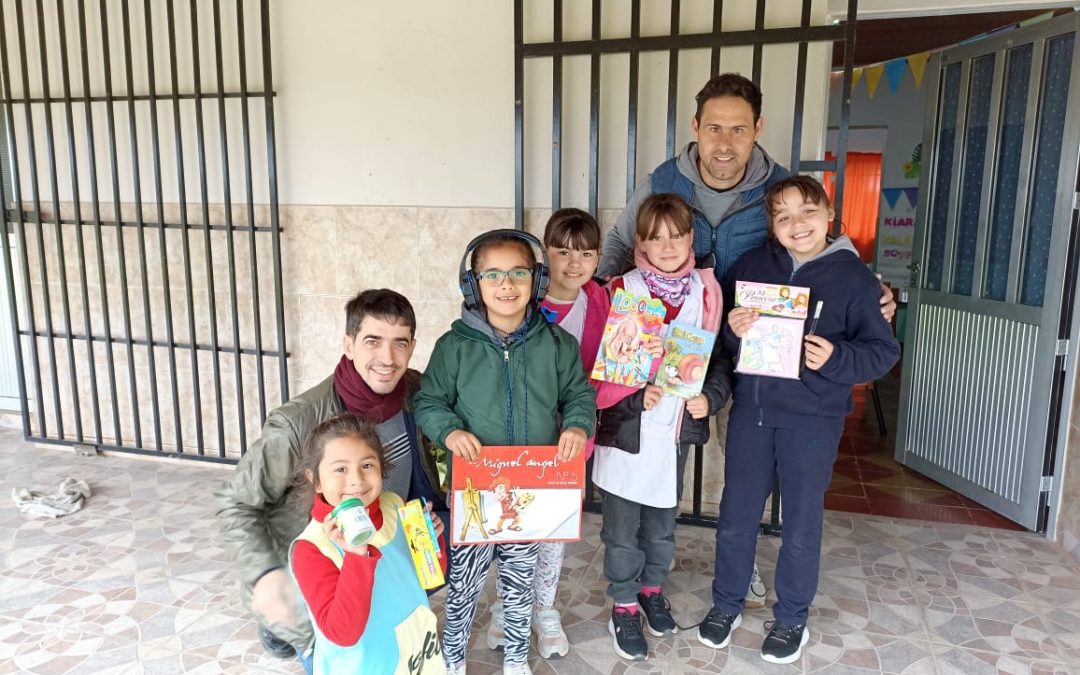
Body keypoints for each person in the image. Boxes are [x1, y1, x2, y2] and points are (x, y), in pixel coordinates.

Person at [597, 71, 896, 609]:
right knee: (676, 457)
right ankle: (659, 577)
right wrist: (602, 305)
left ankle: (738, 568)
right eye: (714, 128)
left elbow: (830, 248)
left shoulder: (779, 187)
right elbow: (622, 241)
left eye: (738, 129)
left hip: (752, 349)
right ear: (695, 127)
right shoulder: (663, 180)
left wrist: (874, 291)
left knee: (746, 463)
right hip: (676, 340)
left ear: (757, 128)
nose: (725, 143)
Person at [696, 176, 900, 664]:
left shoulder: (855, 279)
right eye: (782, 216)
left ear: (829, 214)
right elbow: (722, 340)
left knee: (802, 523)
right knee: (736, 516)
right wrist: (734, 327)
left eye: (807, 212)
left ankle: (791, 618)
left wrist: (835, 357)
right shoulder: (752, 266)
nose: (796, 224)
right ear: (772, 224)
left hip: (813, 419)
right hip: (753, 413)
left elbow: (882, 352)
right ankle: (726, 604)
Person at [215, 289, 446, 667]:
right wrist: (268, 579)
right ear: (348, 344)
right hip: (324, 577)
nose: (387, 359)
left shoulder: (417, 393)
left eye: (399, 343)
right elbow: (236, 504)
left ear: (412, 346)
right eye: (372, 342)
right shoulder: (298, 422)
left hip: (382, 560)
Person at [414, 230, 597, 675]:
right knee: (464, 585)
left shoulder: (557, 345)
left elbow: (579, 395)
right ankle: (452, 660)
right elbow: (428, 401)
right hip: (475, 490)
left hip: (528, 491)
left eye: (518, 273)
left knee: (518, 584)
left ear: (536, 281)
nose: (506, 284)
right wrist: (450, 432)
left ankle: (516, 658)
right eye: (492, 274)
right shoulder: (453, 346)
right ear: (473, 284)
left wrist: (576, 423)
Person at [591, 193, 732, 662]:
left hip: (674, 431)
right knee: (622, 525)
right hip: (630, 431)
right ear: (640, 243)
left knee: (662, 522)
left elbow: (718, 361)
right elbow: (601, 366)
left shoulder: (706, 292)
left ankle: (652, 588)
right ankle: (625, 602)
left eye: (677, 235)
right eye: (656, 237)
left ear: (692, 237)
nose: (668, 245)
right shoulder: (622, 290)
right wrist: (635, 393)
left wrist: (709, 398)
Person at [486, 209, 610, 660]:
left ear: (598, 258)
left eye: (586, 253)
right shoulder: (522, 303)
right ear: (544, 257)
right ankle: (506, 603)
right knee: (510, 523)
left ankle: (543, 607)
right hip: (520, 436)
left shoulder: (601, 300)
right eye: (562, 252)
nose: (574, 263)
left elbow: (612, 364)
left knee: (554, 530)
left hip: (571, 439)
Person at [288, 413, 448, 674]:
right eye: (340, 469)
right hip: (366, 665)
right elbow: (342, 634)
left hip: (416, 653)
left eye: (367, 465)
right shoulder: (312, 548)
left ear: (381, 468)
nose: (356, 481)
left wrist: (431, 541)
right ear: (315, 480)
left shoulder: (394, 504)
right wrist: (356, 556)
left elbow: (429, 577)